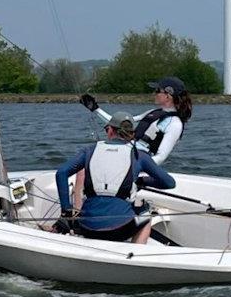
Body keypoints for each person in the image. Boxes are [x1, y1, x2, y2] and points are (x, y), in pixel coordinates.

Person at [54, 112, 175, 244]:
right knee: (145, 214)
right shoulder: (139, 155)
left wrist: (66, 210)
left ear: (111, 130)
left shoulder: (89, 150)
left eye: (107, 129)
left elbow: (61, 173)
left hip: (86, 227)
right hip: (121, 230)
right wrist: (142, 181)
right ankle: (133, 254)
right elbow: (169, 183)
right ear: (132, 134)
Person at [80, 76, 192, 166]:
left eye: (158, 91)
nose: (154, 93)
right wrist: (95, 109)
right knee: (88, 155)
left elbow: (160, 157)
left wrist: (134, 169)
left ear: (168, 96)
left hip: (137, 162)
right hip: (127, 153)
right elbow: (118, 123)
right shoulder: (153, 112)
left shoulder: (175, 123)